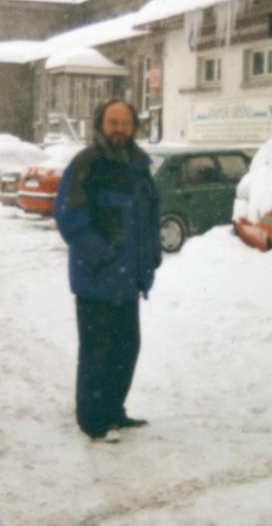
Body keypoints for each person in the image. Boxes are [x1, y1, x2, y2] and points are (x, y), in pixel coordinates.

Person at [54, 98, 161, 443]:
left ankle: (115, 410)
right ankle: (92, 420)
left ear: (134, 127)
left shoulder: (138, 165)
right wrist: (100, 253)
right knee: (97, 352)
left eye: (125, 123)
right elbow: (70, 216)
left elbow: (147, 216)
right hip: (97, 279)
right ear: (101, 125)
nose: (119, 129)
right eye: (113, 122)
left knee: (126, 349)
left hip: (128, 279)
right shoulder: (87, 164)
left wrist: (151, 254)